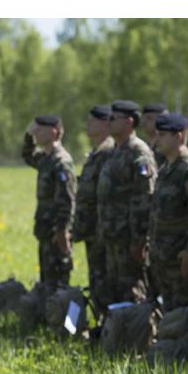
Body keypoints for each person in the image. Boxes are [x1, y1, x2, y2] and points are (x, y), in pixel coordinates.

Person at [148, 113, 188, 311]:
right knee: (170, 314)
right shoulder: (167, 169)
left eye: (163, 135)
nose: (157, 139)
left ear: (179, 137)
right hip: (165, 257)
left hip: (182, 259)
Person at [97, 100, 157, 305]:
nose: (109, 122)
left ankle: (135, 333)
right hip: (113, 235)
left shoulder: (139, 153)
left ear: (129, 122)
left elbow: (145, 199)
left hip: (128, 238)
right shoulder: (115, 151)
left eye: (114, 118)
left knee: (132, 289)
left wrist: (139, 240)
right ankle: (116, 331)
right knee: (114, 287)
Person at [22, 114, 76, 289]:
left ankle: (58, 314)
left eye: (41, 129)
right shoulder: (47, 158)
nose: (36, 132)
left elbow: (67, 201)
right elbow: (27, 155)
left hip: (56, 233)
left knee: (58, 282)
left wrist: (62, 233)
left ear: (54, 132)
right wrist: (28, 135)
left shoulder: (61, 162)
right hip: (46, 230)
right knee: (47, 280)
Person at [73, 105, 115, 311]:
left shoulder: (108, 151)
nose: (88, 124)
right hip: (91, 229)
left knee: (104, 280)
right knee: (96, 278)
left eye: (94, 120)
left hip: (101, 229)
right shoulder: (97, 152)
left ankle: (107, 321)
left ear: (107, 124)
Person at [140, 103, 168, 168]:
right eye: (143, 118)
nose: (144, 122)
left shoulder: (166, 148)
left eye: (149, 118)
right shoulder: (144, 145)